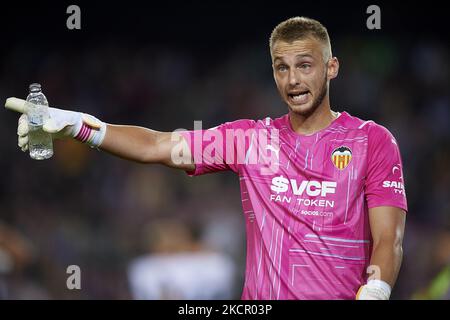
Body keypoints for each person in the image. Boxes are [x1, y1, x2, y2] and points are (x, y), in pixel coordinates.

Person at [5, 16, 407, 300]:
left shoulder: (371, 140)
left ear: (331, 67)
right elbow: (158, 146)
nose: (293, 80)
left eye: (305, 65)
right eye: (281, 68)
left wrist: (375, 291)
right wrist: (77, 124)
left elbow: (390, 238)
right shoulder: (252, 140)